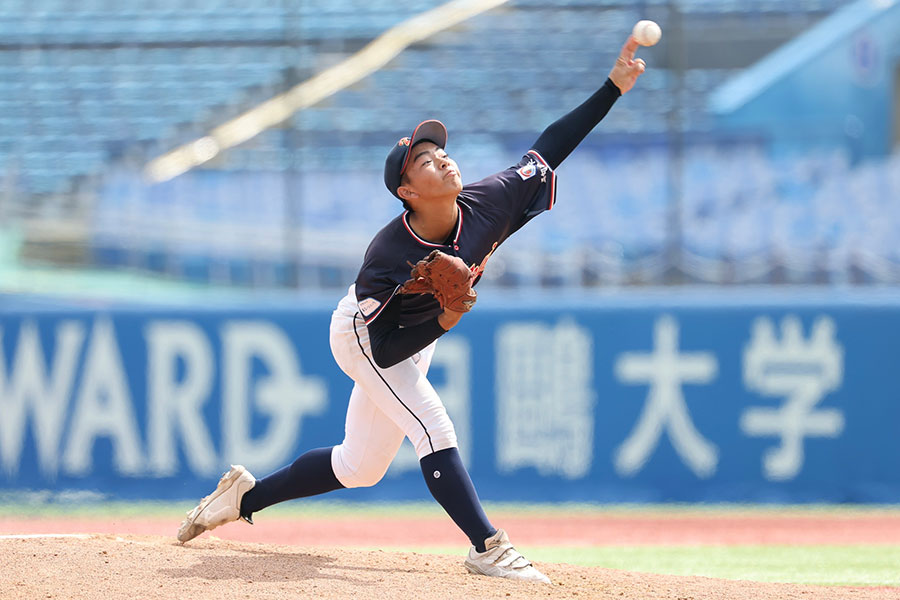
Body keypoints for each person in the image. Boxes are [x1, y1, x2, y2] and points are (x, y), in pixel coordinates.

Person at [177, 34, 646, 584]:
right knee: (432, 426)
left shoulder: (490, 201)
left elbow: (550, 147)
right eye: (425, 159)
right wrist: (447, 318)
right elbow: (387, 348)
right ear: (407, 191)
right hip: (365, 335)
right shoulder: (388, 257)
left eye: (440, 150)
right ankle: (487, 547)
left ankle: (244, 498)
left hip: (417, 335)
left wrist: (613, 87)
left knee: (359, 467)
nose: (442, 158)